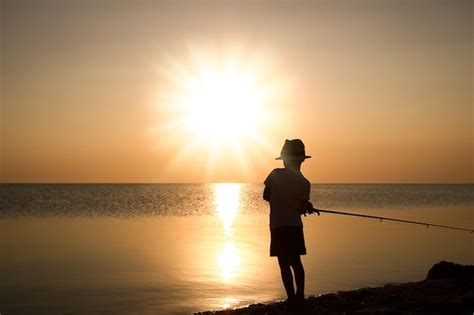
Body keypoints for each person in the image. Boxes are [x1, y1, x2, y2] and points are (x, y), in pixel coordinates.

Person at [263, 139, 317, 310]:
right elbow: (302, 207)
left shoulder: (274, 174)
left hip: (278, 226)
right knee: (296, 262)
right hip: (294, 226)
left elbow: (266, 196)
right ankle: (299, 296)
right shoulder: (304, 183)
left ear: (285, 160)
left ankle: (292, 297)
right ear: (301, 161)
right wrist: (305, 207)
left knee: (283, 263)